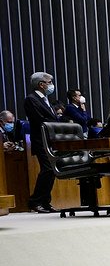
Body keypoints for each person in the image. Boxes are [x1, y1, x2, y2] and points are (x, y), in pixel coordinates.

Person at [24, 71, 59, 213]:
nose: (51, 85)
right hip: (41, 140)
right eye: (49, 82)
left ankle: (45, 202)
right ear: (41, 84)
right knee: (48, 169)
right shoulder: (31, 99)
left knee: (52, 170)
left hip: (50, 140)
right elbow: (40, 120)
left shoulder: (45, 99)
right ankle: (35, 201)